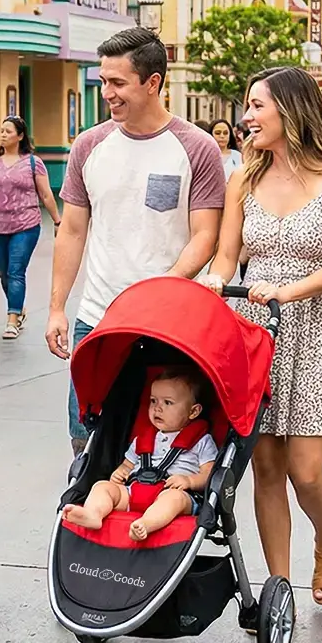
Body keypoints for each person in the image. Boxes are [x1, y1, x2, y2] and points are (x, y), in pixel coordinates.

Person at [198, 65, 322, 608]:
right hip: (253, 333)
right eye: (246, 107)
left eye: (256, 106)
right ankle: (279, 592)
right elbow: (226, 256)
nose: (246, 118)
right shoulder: (242, 178)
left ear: (289, 110)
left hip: (314, 333)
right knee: (265, 467)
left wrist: (287, 291)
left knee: (306, 471)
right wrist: (214, 283)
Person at [45, 27, 225, 454]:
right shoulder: (89, 146)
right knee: (86, 442)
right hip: (99, 320)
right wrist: (56, 307)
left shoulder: (195, 148)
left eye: (118, 82)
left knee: (160, 443)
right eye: (104, 81)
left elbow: (205, 236)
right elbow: (71, 230)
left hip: (168, 322)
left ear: (153, 82)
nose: (107, 92)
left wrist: (161, 291)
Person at [61, 366, 218, 542]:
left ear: (193, 411)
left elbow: (209, 474)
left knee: (174, 500)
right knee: (102, 487)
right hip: (134, 491)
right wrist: (120, 472)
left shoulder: (202, 441)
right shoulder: (143, 439)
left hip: (174, 492)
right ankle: (93, 514)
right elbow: (128, 465)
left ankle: (146, 524)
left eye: (167, 403)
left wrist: (189, 481)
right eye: (153, 401)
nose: (157, 408)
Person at [0, 116, 61, 339]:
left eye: (8, 131)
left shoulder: (32, 162)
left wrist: (58, 220)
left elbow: (46, 194)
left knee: (15, 270)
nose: (3, 135)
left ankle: (12, 320)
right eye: (1, 131)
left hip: (25, 225)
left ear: (20, 136)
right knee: (3, 273)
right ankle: (18, 308)